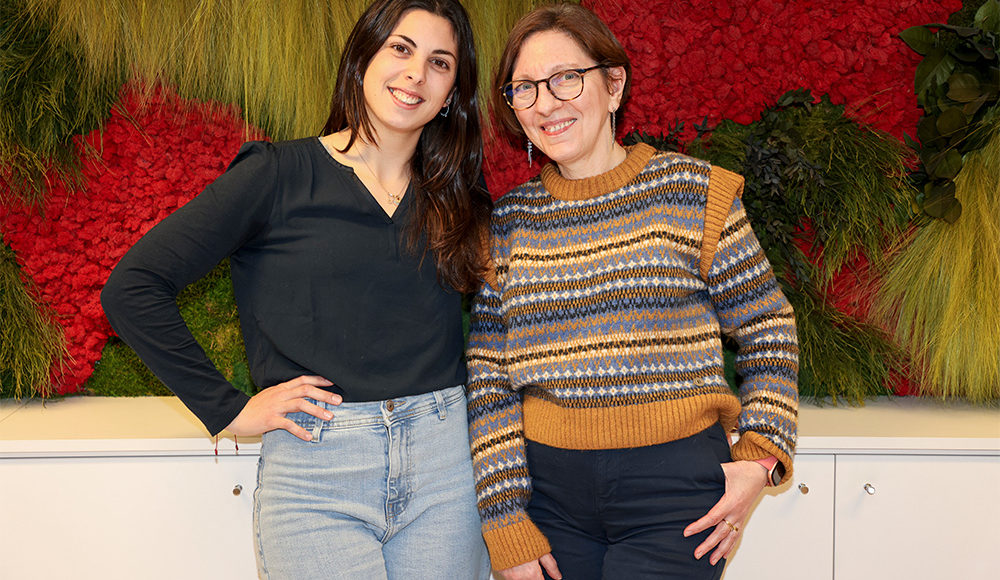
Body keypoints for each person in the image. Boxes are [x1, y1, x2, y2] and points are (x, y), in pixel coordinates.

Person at [101, 0, 492, 577]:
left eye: (440, 62)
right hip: (317, 472)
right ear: (363, 58)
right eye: (401, 49)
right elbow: (133, 287)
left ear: (452, 93)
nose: (416, 74)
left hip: (447, 471)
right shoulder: (276, 174)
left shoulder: (458, 195)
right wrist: (228, 410)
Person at [466, 4, 799, 579]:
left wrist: (759, 455)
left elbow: (767, 324)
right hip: (549, 502)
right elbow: (489, 376)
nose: (546, 103)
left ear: (613, 84)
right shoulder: (508, 223)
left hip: (677, 497)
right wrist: (504, 520)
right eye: (525, 88)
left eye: (566, 78)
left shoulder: (695, 193)